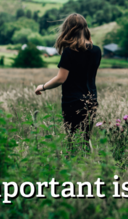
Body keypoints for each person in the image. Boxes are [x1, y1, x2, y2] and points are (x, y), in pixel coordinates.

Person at [34, 13, 101, 141]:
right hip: (91, 100)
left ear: (68, 30)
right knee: (85, 140)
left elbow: (61, 78)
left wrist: (42, 87)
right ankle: (87, 161)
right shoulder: (96, 51)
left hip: (73, 102)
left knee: (72, 140)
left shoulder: (69, 52)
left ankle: (74, 161)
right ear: (85, 29)